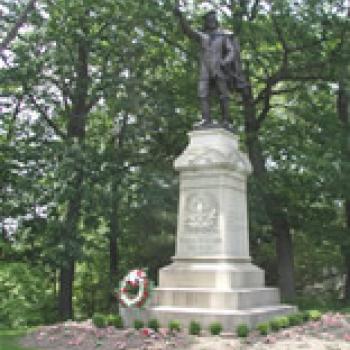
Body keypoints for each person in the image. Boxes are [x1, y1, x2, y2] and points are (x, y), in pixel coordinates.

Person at [174, 3, 247, 128]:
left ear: (216, 20)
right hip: (205, 70)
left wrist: (226, 61)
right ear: (206, 22)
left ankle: (226, 121)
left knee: (223, 95)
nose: (211, 21)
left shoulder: (223, 36)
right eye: (208, 20)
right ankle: (206, 119)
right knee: (202, 93)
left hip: (219, 68)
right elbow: (188, 31)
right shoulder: (203, 36)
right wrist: (181, 17)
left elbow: (231, 51)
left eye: (212, 19)